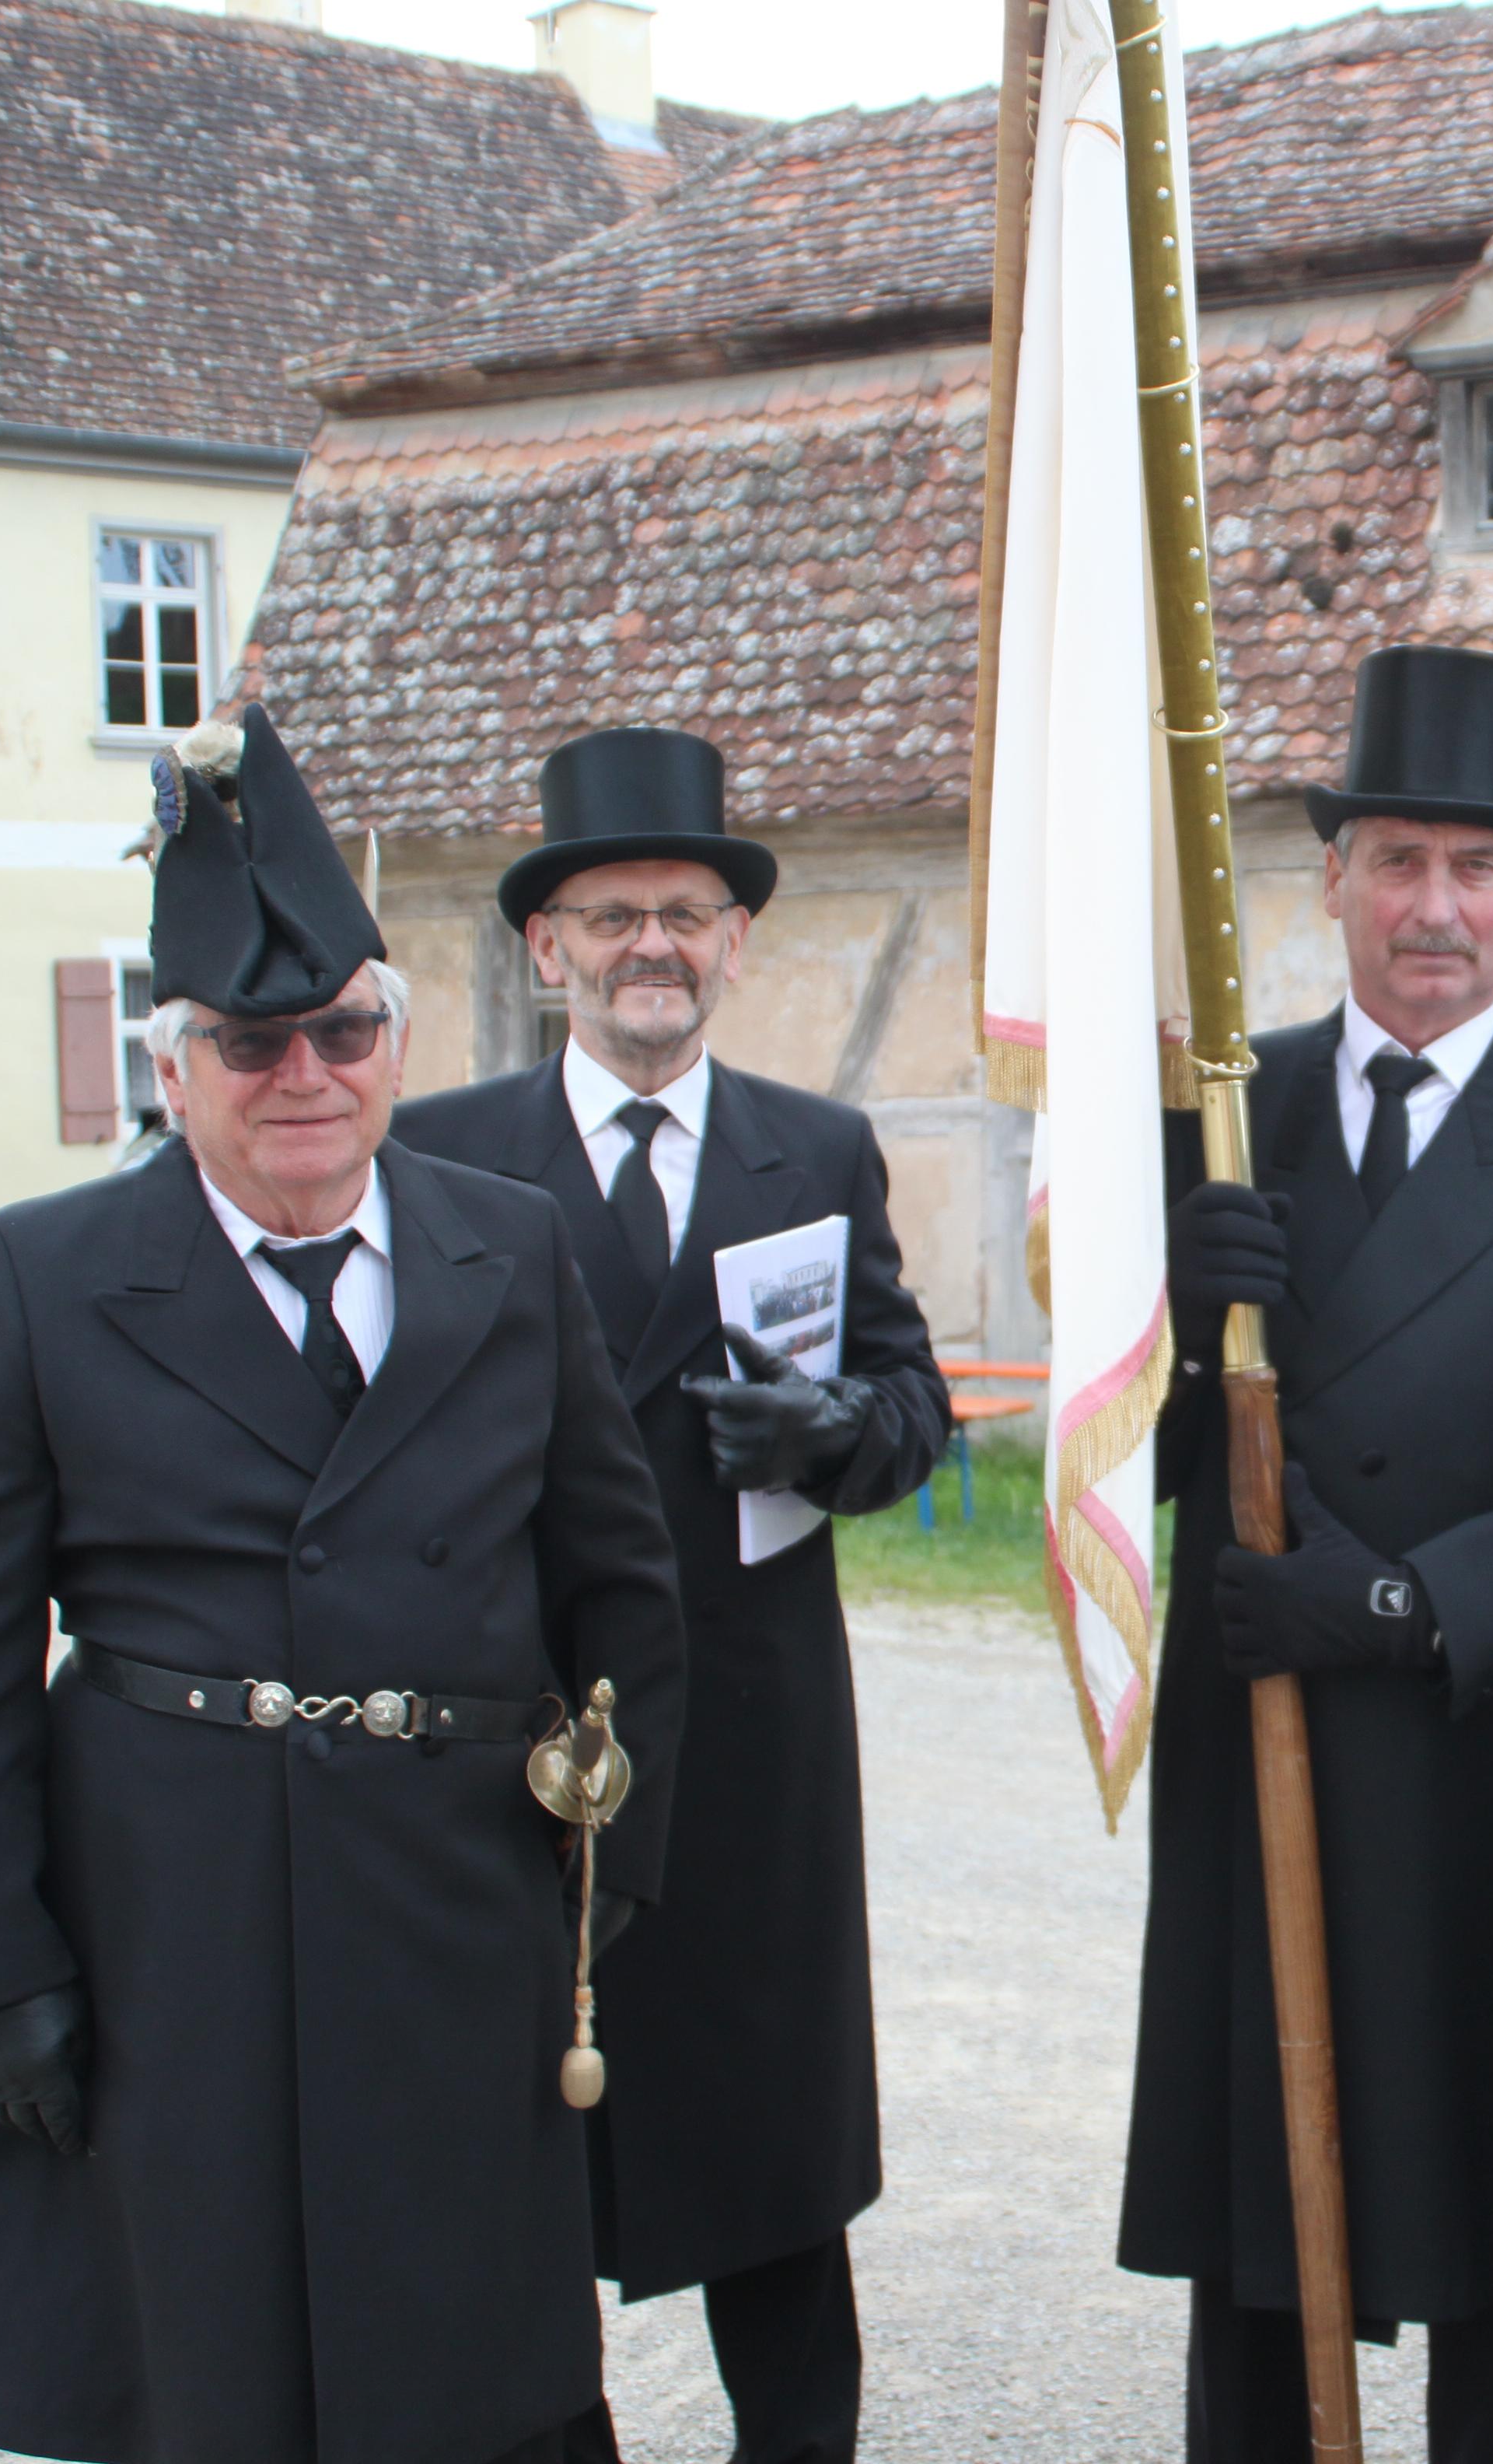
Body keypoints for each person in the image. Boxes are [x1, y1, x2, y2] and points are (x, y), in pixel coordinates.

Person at [0, 706, 688, 2464]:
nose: (305, 1074)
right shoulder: (47, 1275)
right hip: (166, 1923)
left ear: (394, 1040)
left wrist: (608, 1866)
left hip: (454, 1910)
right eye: (254, 1042)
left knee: (468, 2369)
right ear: (174, 1066)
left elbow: (622, 1588)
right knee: (201, 2365)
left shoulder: (512, 1250)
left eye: (344, 1029)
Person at [1124, 643, 1493, 2464]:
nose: (1435, 907)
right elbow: (1123, 1449)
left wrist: (1402, 1601)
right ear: (1330, 882)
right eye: (1395, 861)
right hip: (1261, 1729)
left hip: (1487, 1746)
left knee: (1480, 2220)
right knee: (1258, 2188)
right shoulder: (1228, 1115)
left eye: (1476, 869)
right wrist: (1166, 1318)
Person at [397, 726, 952, 2464]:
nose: (655, 944)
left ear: (734, 941)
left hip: (754, 1743)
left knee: (769, 2174)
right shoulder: (439, 1158)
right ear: (546, 946)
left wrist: (847, 1424)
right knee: (516, 2174)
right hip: (520, 1740)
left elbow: (917, 1403)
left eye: (688, 911)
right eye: (614, 913)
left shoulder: (816, 1149)